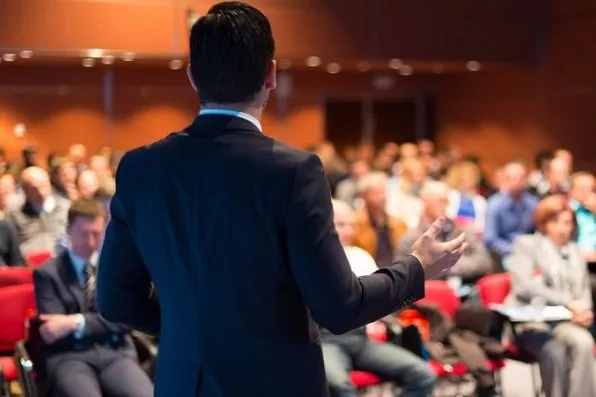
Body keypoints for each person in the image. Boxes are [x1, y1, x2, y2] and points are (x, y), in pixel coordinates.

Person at [96, 3, 466, 397]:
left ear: (192, 77)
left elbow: (116, 302)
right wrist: (417, 268)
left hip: (181, 383)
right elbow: (339, 307)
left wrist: (193, 325)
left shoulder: (141, 168)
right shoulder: (293, 172)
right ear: (270, 73)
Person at [33, 198, 153, 397]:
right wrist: (102, 322)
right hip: (69, 357)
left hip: (114, 352)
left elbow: (124, 322)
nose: (90, 242)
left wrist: (75, 322)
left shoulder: (114, 269)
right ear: (69, 230)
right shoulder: (47, 273)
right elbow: (52, 330)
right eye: (83, 234)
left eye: (96, 234)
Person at [323, 200, 436, 397]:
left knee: (423, 375)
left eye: (351, 225)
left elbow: (382, 296)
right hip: (328, 340)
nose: (348, 231)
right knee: (340, 386)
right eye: (340, 224)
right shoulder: (314, 260)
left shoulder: (360, 256)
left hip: (359, 338)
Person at [506, 195, 595, 397]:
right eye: (556, 222)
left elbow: (583, 291)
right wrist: (570, 303)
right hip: (531, 321)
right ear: (543, 223)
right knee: (554, 351)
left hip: (564, 320)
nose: (563, 228)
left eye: (568, 223)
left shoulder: (574, 251)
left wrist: (585, 311)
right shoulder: (527, 245)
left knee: (583, 342)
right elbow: (524, 287)